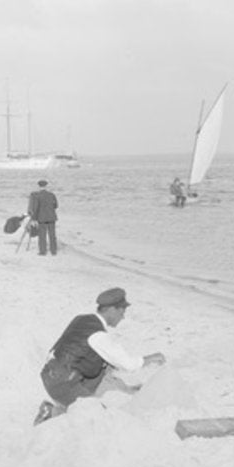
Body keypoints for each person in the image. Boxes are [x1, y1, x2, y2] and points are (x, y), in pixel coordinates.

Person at [34, 288, 166, 425]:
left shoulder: (81, 319)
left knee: (105, 367)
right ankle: (51, 412)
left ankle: (56, 409)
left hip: (50, 374)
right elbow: (129, 364)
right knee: (97, 417)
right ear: (111, 309)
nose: (123, 317)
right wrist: (151, 358)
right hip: (63, 383)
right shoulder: (98, 336)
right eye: (122, 312)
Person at [27, 179, 58, 256]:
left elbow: (35, 208)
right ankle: (53, 251)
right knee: (52, 235)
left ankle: (43, 251)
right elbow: (56, 205)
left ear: (39, 186)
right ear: (46, 186)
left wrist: (33, 218)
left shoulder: (36, 196)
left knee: (42, 235)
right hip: (51, 217)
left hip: (42, 218)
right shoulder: (52, 195)